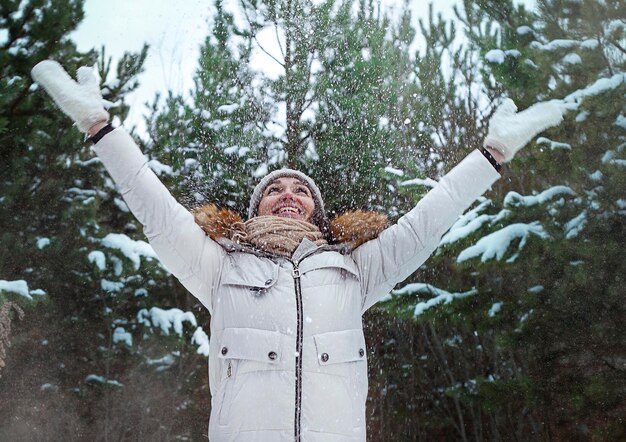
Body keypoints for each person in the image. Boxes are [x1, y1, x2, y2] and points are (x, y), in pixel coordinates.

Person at [31, 60, 563, 441]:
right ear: (258, 207)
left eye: (301, 190)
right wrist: (100, 130)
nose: (288, 195)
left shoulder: (354, 270)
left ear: (317, 211)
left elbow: (430, 220)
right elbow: (155, 207)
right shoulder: (220, 266)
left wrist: (490, 156)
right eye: (275, 190)